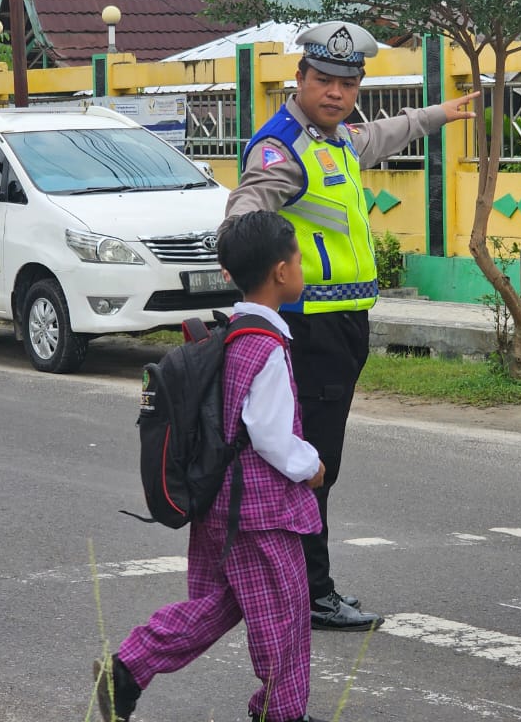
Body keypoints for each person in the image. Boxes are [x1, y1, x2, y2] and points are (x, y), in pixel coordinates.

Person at [225, 20, 479, 631]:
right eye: (324, 80)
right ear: (300, 79)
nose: (335, 92)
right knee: (312, 462)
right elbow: (244, 213)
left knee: (314, 459)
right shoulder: (282, 147)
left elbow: (385, 136)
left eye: (347, 82)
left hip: (340, 325)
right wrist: (259, 272)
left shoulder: (334, 139)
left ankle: (292, 582)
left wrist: (441, 113)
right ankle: (310, 591)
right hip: (307, 328)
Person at [94, 210, 329, 722]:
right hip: (261, 511)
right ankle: (281, 714)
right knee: (286, 613)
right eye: (298, 258)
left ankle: (129, 670)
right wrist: (310, 465)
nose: (301, 267)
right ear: (281, 273)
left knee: (221, 603)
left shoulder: (229, 334)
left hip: (219, 500)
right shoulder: (265, 347)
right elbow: (270, 435)